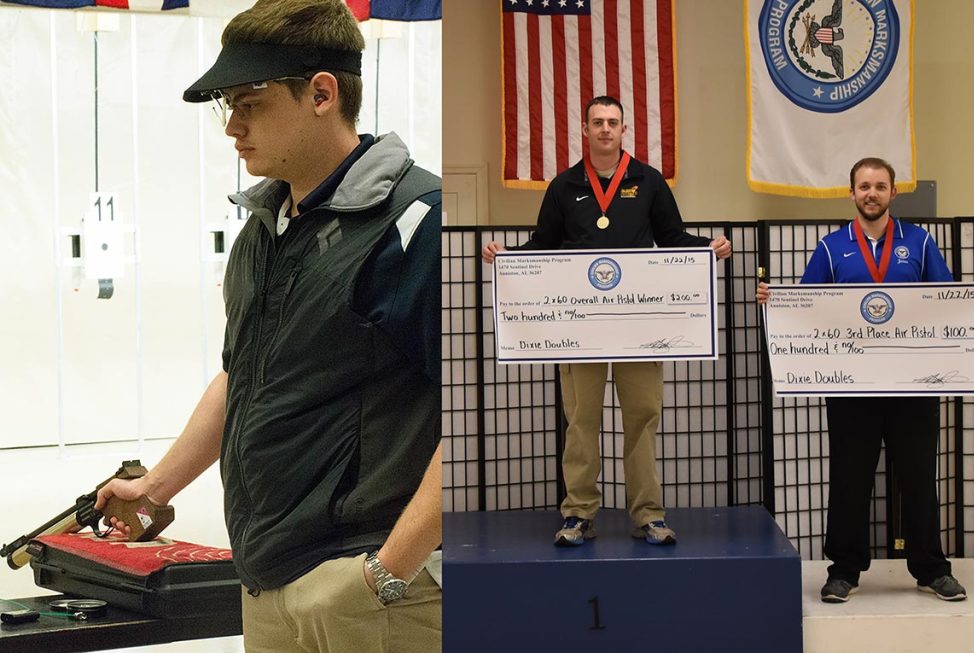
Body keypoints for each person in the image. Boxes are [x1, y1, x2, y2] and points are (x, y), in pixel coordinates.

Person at [94, 1, 442, 650]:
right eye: (229, 106)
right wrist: (155, 487)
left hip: (367, 588)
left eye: (249, 102)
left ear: (320, 92)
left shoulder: (414, 222)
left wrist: (389, 569)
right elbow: (243, 374)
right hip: (268, 585)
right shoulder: (263, 230)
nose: (233, 128)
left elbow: (477, 413)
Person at [483, 96, 732, 547]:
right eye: (597, 122)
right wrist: (508, 258)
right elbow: (543, 245)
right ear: (584, 129)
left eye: (612, 123)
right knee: (580, 422)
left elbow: (672, 238)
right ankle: (578, 513)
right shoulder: (564, 186)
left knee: (642, 418)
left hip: (637, 328)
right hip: (581, 329)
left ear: (623, 130)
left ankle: (648, 515)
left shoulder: (648, 181)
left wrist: (706, 247)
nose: (604, 129)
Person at [756, 157, 974, 603]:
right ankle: (844, 570)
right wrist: (777, 301)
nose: (872, 193)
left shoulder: (920, 242)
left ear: (892, 193)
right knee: (850, 477)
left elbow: (944, 301)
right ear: (852, 193)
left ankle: (930, 567)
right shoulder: (831, 248)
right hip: (853, 388)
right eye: (864, 186)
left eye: (880, 186)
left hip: (913, 386)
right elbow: (808, 306)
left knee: (919, 476)